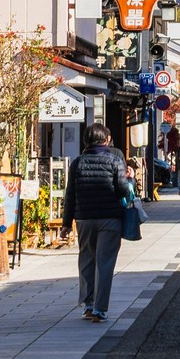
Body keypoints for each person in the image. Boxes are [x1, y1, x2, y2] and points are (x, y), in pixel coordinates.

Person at [62, 125, 132, 323]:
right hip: (110, 218)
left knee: (86, 260)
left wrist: (66, 223)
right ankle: (100, 310)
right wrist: (130, 181)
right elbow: (123, 191)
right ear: (106, 140)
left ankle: (88, 305)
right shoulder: (115, 160)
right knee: (105, 264)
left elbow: (70, 194)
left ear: (86, 140)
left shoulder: (77, 163)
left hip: (84, 219)